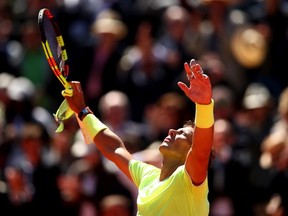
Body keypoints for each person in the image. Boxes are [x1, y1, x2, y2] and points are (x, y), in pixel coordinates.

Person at [62, 58, 214, 215]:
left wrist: (204, 106)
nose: (172, 131)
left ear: (191, 151)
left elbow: (201, 151)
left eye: (183, 134)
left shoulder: (190, 180)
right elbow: (114, 148)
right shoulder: (147, 176)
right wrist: (82, 111)